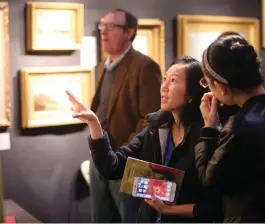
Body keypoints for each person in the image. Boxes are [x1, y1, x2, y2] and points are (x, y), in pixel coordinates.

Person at [66, 56, 223, 223]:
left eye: (173, 81)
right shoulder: (155, 130)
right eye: (164, 79)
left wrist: (170, 210)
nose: (164, 87)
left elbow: (216, 205)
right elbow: (112, 167)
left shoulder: (207, 135)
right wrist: (94, 124)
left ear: (191, 94)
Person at [88, 8, 162, 223]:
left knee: (131, 219)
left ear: (129, 32)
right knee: (100, 219)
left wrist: (122, 153)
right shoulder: (102, 66)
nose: (103, 32)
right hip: (100, 158)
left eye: (111, 26)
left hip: (127, 162)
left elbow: (151, 119)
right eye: (102, 25)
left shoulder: (144, 66)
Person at [195, 34, 265, 222]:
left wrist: (209, 130)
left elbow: (210, 182)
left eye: (207, 83)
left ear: (222, 87)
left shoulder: (240, 126)